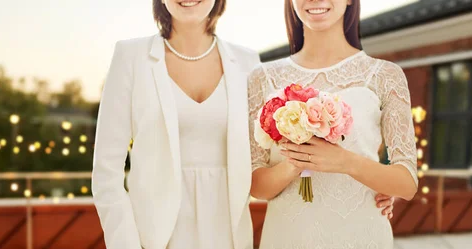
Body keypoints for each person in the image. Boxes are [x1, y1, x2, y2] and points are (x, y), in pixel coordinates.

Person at [92, 0, 395, 248]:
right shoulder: (130, 57)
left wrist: (376, 183)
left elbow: (278, 151)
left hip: (229, 233)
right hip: (154, 236)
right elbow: (106, 172)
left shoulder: (248, 63)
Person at [248, 0, 418, 248]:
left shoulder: (385, 75)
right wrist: (298, 161)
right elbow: (257, 187)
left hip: (361, 235)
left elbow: (407, 183)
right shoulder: (261, 78)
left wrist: (344, 161)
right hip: (288, 237)